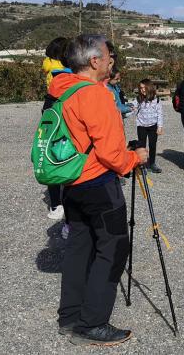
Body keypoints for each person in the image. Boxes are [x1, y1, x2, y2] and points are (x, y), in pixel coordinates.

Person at [49, 34, 148, 346]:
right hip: (99, 184)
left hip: (72, 182)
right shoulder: (94, 94)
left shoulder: (62, 89)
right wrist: (135, 157)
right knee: (114, 249)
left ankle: (70, 317)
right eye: (109, 57)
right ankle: (93, 324)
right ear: (95, 61)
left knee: (80, 248)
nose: (111, 61)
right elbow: (111, 154)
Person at [41, 37, 70, 222]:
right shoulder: (66, 70)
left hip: (50, 106)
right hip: (60, 106)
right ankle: (62, 203)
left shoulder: (48, 63)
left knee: (52, 152)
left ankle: (56, 204)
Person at [133, 79, 164, 173]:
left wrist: (160, 126)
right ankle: (141, 165)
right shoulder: (138, 99)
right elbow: (132, 108)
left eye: (144, 88)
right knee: (141, 146)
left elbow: (160, 113)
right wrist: (130, 109)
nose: (142, 90)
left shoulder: (156, 99)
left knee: (152, 145)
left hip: (153, 126)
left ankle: (152, 163)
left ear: (149, 87)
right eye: (141, 88)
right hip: (141, 125)